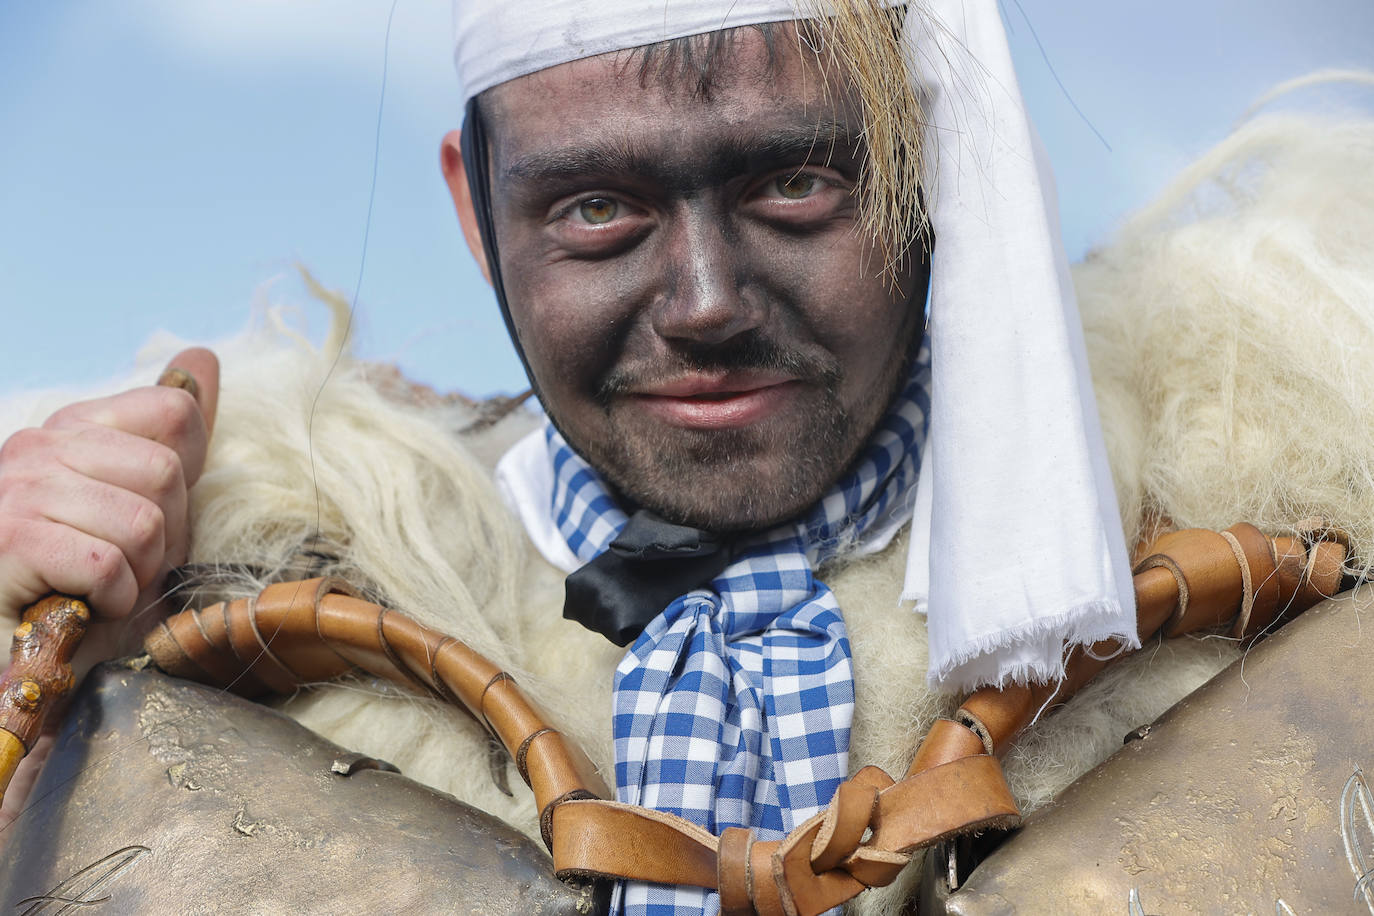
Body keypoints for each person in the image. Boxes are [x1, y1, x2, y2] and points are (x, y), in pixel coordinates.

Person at [12, 1, 1366, 913]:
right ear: (473, 213)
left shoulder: (1268, 560)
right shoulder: (247, 611)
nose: (707, 298)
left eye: (795, 184)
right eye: (598, 208)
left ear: (926, 174)